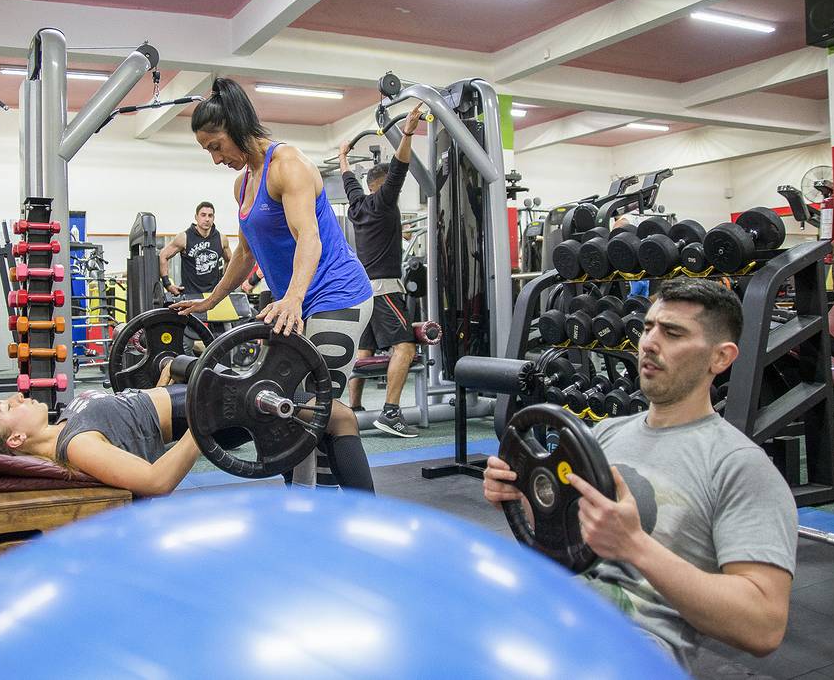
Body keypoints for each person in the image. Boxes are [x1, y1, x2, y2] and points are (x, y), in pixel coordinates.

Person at [483, 279, 796, 671]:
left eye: (673, 332)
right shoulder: (605, 434)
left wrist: (634, 546)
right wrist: (524, 496)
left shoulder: (739, 465)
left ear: (720, 358)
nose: (648, 342)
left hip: (627, 651)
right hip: (547, 618)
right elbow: (567, 539)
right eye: (648, 327)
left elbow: (764, 627)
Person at [179, 76, 375, 489]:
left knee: (315, 409)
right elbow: (246, 254)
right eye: (207, 151)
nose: (215, 158)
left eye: (216, 146)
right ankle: (304, 504)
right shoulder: (242, 183)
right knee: (286, 405)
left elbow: (310, 237)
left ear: (234, 126)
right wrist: (210, 300)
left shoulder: (289, 165)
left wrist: (292, 299)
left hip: (337, 294)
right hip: (297, 301)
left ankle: (360, 511)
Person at [0, 372, 374, 496]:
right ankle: (367, 520)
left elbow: (130, 413)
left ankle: (332, 517)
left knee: (315, 425)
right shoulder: (77, 445)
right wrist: (202, 426)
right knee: (336, 416)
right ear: (14, 441)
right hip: (204, 408)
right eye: (5, 409)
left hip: (194, 396)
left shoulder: (66, 424)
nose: (15, 398)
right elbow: (156, 482)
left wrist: (160, 377)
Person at [340, 104, 424, 437]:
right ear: (383, 185)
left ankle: (355, 409)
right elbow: (401, 166)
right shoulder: (383, 201)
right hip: (386, 290)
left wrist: (343, 156)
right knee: (405, 346)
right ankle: (391, 412)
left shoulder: (357, 205)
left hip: (362, 292)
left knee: (365, 350)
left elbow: (347, 179)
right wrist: (407, 132)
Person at [158, 202, 232, 299]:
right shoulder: (184, 237)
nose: (207, 219)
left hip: (213, 295)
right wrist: (167, 284)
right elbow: (163, 255)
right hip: (190, 295)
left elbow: (231, 259)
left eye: (210, 215)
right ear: (196, 217)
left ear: (213, 218)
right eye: (203, 215)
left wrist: (224, 281)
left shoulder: (221, 239)